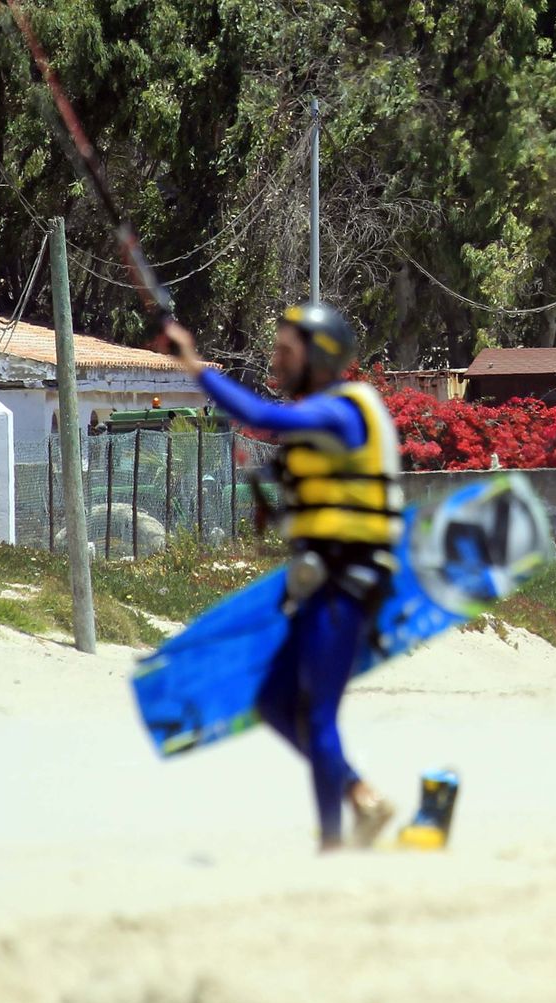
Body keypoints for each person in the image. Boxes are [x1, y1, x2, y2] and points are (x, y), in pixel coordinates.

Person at [165, 303, 401, 850]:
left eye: (286, 351)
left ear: (320, 356)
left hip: (349, 584)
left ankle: (332, 841)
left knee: (318, 713)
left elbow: (263, 417)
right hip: (318, 585)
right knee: (274, 702)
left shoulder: (343, 411)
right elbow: (295, 477)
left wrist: (195, 365)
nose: (276, 359)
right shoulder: (321, 419)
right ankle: (360, 796)